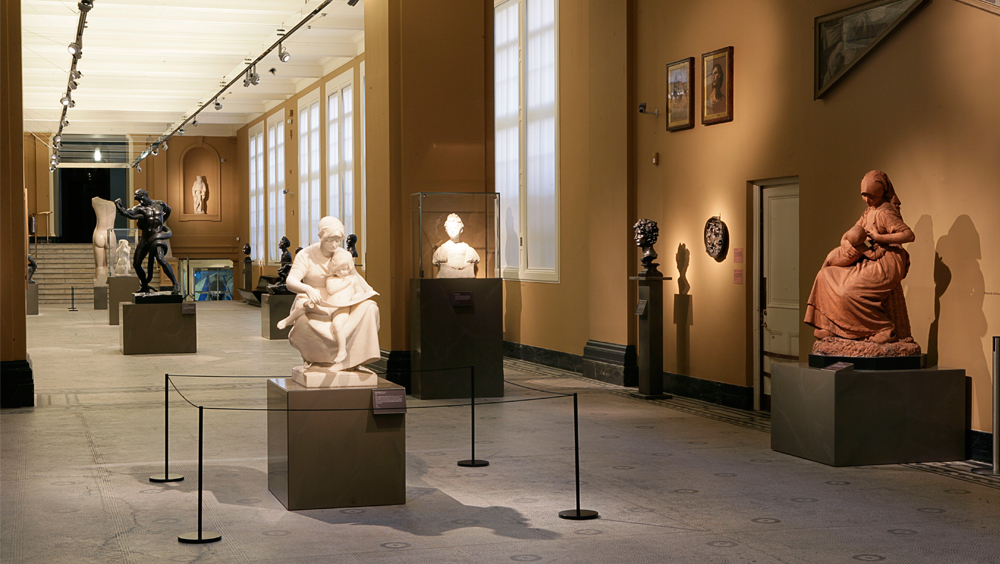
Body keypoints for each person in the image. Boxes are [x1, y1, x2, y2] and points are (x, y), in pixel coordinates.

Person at [804, 170, 915, 344]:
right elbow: (854, 231)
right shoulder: (869, 211)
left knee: (847, 291)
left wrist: (879, 238)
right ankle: (830, 325)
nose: (866, 200)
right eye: (864, 195)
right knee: (825, 275)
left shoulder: (885, 212)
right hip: (870, 257)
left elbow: (908, 235)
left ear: (880, 192)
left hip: (887, 261)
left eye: (870, 196)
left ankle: (884, 328)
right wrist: (845, 241)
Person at [284, 216, 380, 371]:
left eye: (338, 240)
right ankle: (318, 358)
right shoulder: (306, 255)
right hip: (314, 298)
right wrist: (307, 289)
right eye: (331, 240)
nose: (335, 245)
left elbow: (354, 276)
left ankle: (352, 360)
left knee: (370, 307)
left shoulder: (341, 255)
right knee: (302, 311)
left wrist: (362, 292)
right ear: (321, 236)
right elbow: (291, 281)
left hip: (342, 299)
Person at [114, 189, 180, 293]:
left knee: (161, 259)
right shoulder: (139, 208)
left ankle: (175, 285)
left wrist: (161, 222)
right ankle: (145, 284)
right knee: (136, 263)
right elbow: (128, 214)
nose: (139, 201)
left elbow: (169, 210)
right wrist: (119, 206)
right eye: (138, 199)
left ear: (145, 196)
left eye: (140, 198)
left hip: (157, 237)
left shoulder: (160, 204)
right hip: (145, 239)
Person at [432, 214, 480, 278]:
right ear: (446, 231)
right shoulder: (442, 249)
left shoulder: (468, 249)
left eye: (455, 227)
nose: (452, 231)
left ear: (461, 230)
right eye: (449, 228)